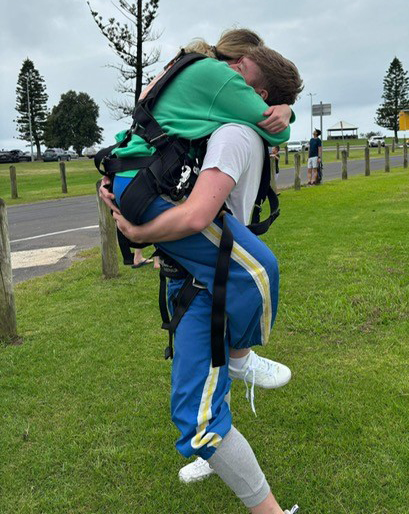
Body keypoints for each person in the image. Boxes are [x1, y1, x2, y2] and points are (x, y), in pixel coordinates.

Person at [100, 35, 302, 513]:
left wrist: (132, 221)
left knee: (202, 407)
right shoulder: (221, 101)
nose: (260, 105)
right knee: (257, 273)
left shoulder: (215, 118)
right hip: (187, 266)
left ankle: (237, 365)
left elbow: (183, 192)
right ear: (244, 67)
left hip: (194, 271)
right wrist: (132, 221)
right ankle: (239, 360)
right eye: (264, 97)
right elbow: (191, 212)